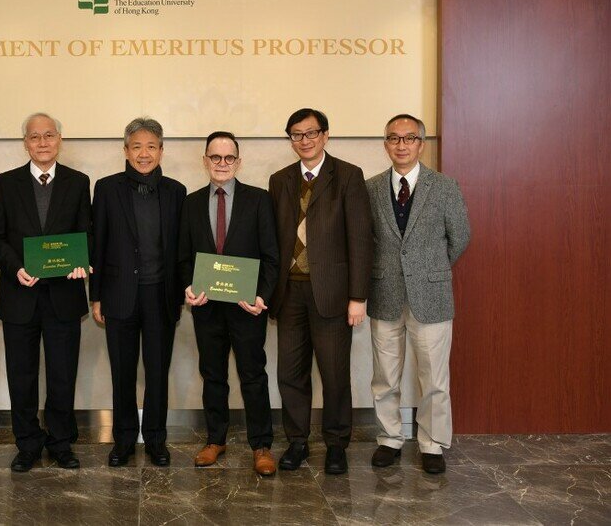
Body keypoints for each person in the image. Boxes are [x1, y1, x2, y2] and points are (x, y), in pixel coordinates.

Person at [268, 108, 373, 475]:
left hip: (332, 293)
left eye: (312, 133)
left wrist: (358, 297)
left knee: (333, 372)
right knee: (290, 373)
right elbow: (273, 242)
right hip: (290, 293)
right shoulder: (279, 180)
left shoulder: (347, 176)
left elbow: (360, 240)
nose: (305, 140)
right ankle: (297, 442)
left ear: (325, 136)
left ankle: (336, 444)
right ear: (290, 139)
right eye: (297, 134)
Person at [0, 113, 91, 472]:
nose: (42, 142)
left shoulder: (79, 182)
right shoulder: (5, 183)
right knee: (22, 376)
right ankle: (28, 444)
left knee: (63, 375)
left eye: (49, 135)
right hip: (20, 297)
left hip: (64, 295)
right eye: (35, 136)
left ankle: (61, 443)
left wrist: (82, 261)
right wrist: (16, 267)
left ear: (60, 139)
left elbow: (86, 233)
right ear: (25, 143)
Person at [366, 114, 470, 474]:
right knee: (384, 376)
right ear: (385, 144)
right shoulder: (371, 188)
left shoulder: (444, 187)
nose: (401, 145)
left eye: (409, 138)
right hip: (385, 292)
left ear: (421, 144)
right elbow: (368, 242)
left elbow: (460, 238)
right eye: (394, 138)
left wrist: (429, 271)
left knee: (434, 379)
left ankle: (431, 443)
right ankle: (389, 438)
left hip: (431, 296)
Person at [179, 131, 279, 476]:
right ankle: (215, 440)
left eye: (229, 158)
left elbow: (271, 257)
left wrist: (262, 296)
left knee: (253, 374)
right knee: (213, 375)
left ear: (239, 161)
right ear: (205, 160)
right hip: (207, 307)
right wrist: (188, 288)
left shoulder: (259, 200)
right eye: (215, 157)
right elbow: (182, 259)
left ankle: (262, 445)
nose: (222, 164)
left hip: (246, 307)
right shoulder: (190, 203)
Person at [90, 117, 186, 467]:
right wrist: (95, 296)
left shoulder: (177, 191)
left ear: (161, 151)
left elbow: (181, 249)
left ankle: (157, 439)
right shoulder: (106, 188)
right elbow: (97, 243)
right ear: (125, 150)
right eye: (136, 146)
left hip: (161, 296)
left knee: (158, 371)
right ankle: (125, 439)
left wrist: (182, 294)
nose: (143, 153)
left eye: (151, 146)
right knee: (123, 372)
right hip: (119, 296)